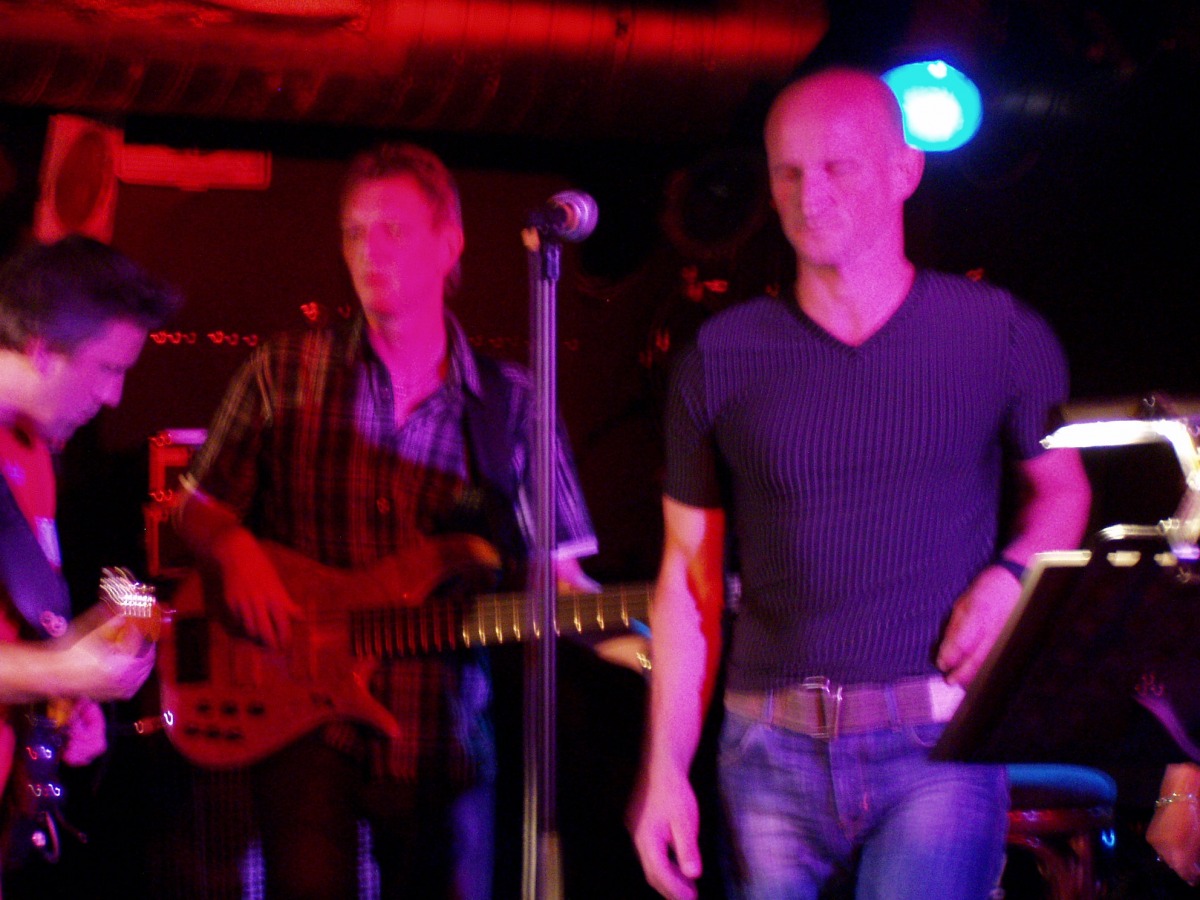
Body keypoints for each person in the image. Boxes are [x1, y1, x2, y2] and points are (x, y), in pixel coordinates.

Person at [628, 67, 1093, 899]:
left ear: (905, 169)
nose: (810, 196)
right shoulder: (721, 357)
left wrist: (1009, 577)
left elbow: (1063, 491)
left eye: (838, 167)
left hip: (938, 745)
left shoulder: (997, 333)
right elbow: (686, 577)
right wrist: (664, 769)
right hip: (766, 747)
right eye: (788, 172)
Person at [174, 141, 599, 899]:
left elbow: (557, 575)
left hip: (445, 739)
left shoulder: (514, 404)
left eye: (394, 230)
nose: (371, 251)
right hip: (303, 721)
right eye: (355, 232)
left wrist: (642, 624)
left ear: (450, 242)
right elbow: (196, 507)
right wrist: (232, 546)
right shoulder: (284, 370)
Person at [0, 235, 180, 879]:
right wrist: (62, 672)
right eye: (107, 368)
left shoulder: (32, 452)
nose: (114, 397)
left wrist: (65, 689)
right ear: (41, 350)